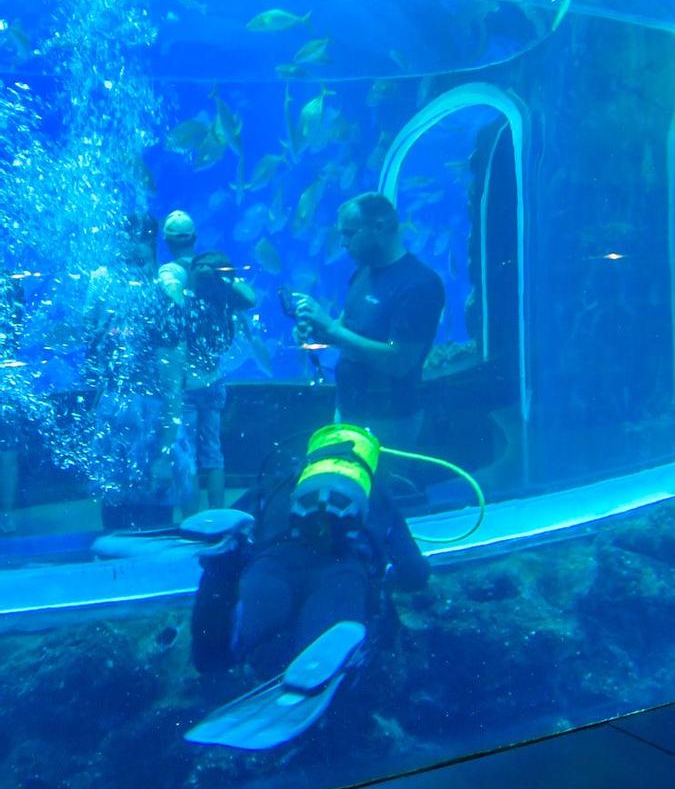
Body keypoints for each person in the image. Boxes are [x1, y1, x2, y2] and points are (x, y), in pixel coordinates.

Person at [187, 425, 429, 750]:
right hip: (341, 579)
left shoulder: (277, 483)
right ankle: (311, 694)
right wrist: (393, 578)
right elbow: (415, 573)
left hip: (270, 570)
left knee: (223, 646)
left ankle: (219, 610)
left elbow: (234, 522)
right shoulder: (378, 494)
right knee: (320, 669)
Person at [289, 193, 444, 450]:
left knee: (386, 487)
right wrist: (315, 333)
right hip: (348, 409)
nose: (343, 244)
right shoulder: (362, 274)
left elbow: (400, 362)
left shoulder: (420, 284)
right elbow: (344, 330)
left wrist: (330, 328)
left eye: (350, 234)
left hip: (392, 420)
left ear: (379, 227)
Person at [85, 213, 192, 530]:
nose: (132, 258)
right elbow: (95, 351)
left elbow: (173, 388)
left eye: (140, 246)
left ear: (152, 248)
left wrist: (163, 453)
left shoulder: (163, 299)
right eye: (126, 252)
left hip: (154, 420)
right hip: (115, 414)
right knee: (114, 514)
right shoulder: (111, 296)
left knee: (155, 519)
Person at [161, 210, 257, 511]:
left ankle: (192, 520)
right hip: (214, 378)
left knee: (185, 452)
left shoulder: (171, 272)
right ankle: (218, 515)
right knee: (213, 453)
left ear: (166, 241)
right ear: (194, 238)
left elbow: (171, 301)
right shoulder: (214, 270)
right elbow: (248, 298)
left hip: (186, 383)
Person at [0, 271, 22, 535]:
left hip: (5, 378)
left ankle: (5, 513)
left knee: (7, 453)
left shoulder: (8, 282)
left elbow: (15, 330)